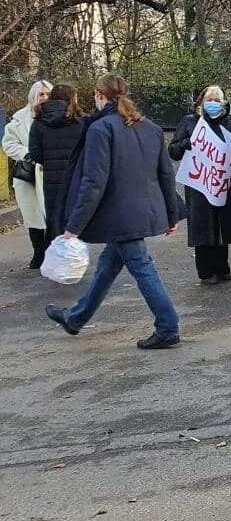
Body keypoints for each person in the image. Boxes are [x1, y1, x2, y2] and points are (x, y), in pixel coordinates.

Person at [44, 74, 184, 349]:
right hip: (141, 213)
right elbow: (166, 174)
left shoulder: (101, 129)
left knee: (143, 269)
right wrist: (172, 213)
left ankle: (168, 327)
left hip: (118, 217)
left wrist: (74, 225)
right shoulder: (151, 128)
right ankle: (75, 318)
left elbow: (93, 181)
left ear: (99, 96)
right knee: (107, 267)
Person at [168, 86, 231, 284]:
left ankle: (222, 267)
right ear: (201, 102)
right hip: (199, 184)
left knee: (222, 224)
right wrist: (183, 145)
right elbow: (173, 151)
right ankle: (206, 272)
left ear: (223, 103)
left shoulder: (230, 124)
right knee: (203, 226)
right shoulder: (190, 122)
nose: (212, 103)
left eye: (216, 99)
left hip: (222, 181)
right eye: (209, 99)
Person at [28, 84, 87, 245]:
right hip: (77, 175)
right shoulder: (80, 121)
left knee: (55, 216)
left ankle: (57, 255)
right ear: (72, 98)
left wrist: (48, 162)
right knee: (75, 216)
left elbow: (35, 153)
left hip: (52, 177)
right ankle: (74, 256)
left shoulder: (39, 122)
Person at [4, 80, 51, 268]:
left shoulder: (58, 116)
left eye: (48, 94)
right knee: (33, 216)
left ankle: (51, 252)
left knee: (52, 215)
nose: (45, 98)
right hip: (28, 174)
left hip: (51, 174)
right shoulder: (18, 120)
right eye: (41, 94)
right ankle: (39, 253)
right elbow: (8, 144)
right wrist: (27, 154)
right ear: (33, 96)